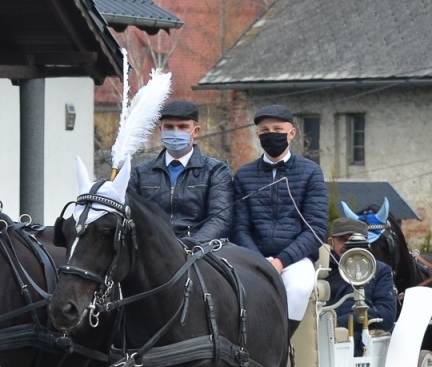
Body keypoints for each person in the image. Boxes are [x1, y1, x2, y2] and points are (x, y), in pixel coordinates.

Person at [230, 104, 329, 334]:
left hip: (296, 259)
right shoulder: (244, 174)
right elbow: (240, 227)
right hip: (254, 256)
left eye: (277, 128)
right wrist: (259, 260)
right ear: (257, 135)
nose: (271, 134)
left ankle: (280, 341)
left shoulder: (311, 172)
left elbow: (315, 228)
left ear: (291, 133)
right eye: (265, 131)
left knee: (299, 287)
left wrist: (281, 261)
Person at [126, 98, 233, 243]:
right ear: (161, 130)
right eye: (169, 127)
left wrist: (188, 246)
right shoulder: (141, 173)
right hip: (152, 251)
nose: (175, 132)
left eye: (183, 127)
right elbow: (130, 215)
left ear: (196, 131)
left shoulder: (215, 170)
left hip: (199, 253)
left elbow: (220, 218)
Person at [325, 218, 397, 330]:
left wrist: (340, 323)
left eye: (356, 240)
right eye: (343, 240)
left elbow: (386, 316)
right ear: (331, 243)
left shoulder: (380, 271)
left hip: (363, 343)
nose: (349, 244)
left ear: (366, 244)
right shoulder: (321, 271)